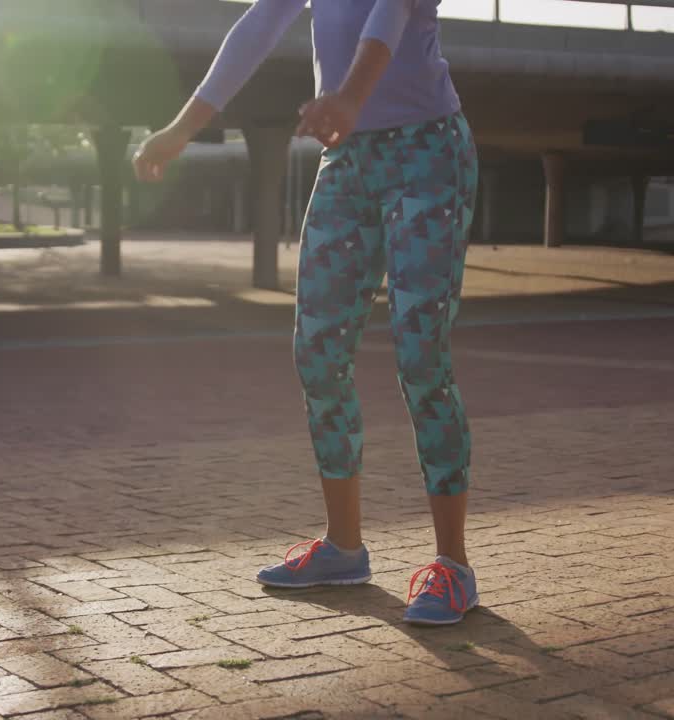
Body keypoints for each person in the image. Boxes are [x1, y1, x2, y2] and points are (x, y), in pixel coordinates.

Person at [133, 0, 478, 626]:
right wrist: (184, 127)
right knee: (318, 354)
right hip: (348, 165)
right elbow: (260, 23)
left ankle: (451, 565)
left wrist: (349, 96)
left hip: (428, 154)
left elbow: (392, 14)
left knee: (420, 353)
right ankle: (344, 548)